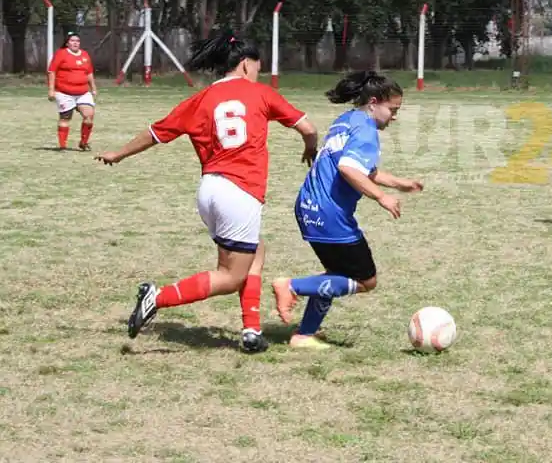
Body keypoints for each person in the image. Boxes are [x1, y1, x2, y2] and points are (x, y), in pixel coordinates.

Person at [94, 30, 318, 353]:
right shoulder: (261, 94)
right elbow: (309, 129)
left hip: (210, 190)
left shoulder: (200, 100)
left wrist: (119, 153)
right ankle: (157, 298)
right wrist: (310, 148)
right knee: (229, 277)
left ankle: (252, 330)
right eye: (257, 65)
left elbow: (155, 133)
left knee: (256, 250)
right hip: (240, 192)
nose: (259, 72)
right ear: (244, 64)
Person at [271, 71, 423, 350]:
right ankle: (291, 285)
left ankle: (304, 335)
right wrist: (382, 197)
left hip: (308, 206)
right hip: (330, 215)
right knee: (366, 280)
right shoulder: (366, 130)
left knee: (336, 273)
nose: (395, 117)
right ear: (374, 102)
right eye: (393, 110)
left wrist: (398, 183)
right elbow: (349, 168)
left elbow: (363, 168)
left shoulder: (347, 120)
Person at [47, 31, 97, 150]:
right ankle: (63, 146)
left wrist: (93, 88)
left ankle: (84, 142)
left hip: (83, 92)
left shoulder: (84, 55)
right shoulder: (61, 54)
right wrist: (51, 90)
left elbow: (89, 73)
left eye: (77, 41)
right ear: (67, 43)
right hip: (64, 92)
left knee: (89, 116)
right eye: (72, 41)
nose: (75, 43)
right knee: (65, 118)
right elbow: (51, 71)